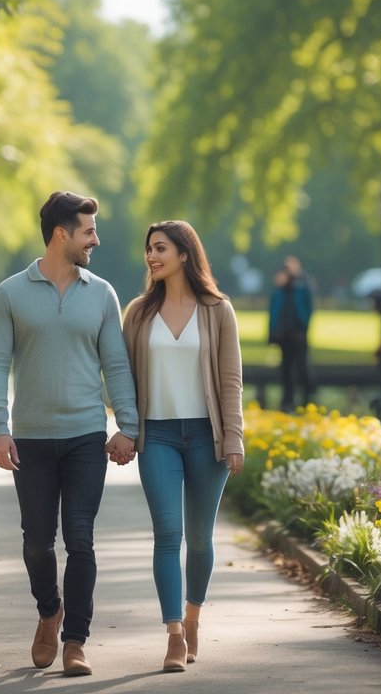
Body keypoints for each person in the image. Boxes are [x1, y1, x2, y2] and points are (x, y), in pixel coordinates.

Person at [0, 191, 138, 677]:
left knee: (81, 539)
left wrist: (128, 426)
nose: (97, 239)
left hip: (85, 436)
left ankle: (76, 641)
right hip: (30, 439)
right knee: (36, 542)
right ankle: (49, 612)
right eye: (89, 230)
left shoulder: (102, 293)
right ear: (61, 234)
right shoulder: (10, 293)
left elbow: (115, 364)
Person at [119, 220, 244, 673]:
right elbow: (123, 378)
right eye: (148, 249)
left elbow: (230, 380)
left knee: (200, 539)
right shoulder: (137, 313)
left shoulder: (217, 309)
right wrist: (126, 428)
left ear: (185, 254)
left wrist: (235, 437)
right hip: (159, 438)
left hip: (206, 437)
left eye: (160, 248)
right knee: (167, 535)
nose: (151, 257)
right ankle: (174, 634)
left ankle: (193, 616)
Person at [267, 257, 313, 411]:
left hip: (298, 333)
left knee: (302, 367)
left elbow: (307, 308)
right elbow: (274, 311)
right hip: (284, 335)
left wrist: (304, 325)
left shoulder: (302, 287)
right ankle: (288, 400)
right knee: (286, 368)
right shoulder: (280, 290)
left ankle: (306, 399)